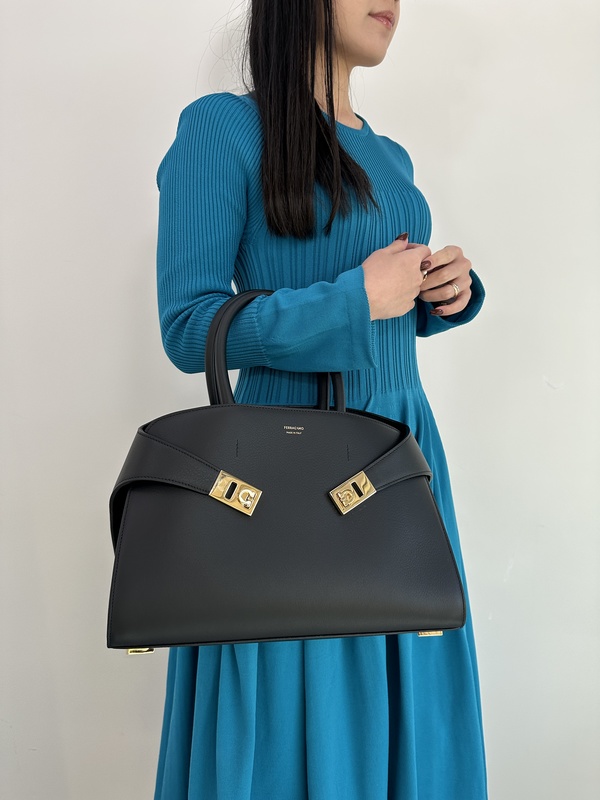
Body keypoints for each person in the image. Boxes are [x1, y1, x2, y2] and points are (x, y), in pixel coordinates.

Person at [153, 1, 487, 797]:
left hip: (399, 454)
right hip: (285, 474)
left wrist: (444, 296)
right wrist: (352, 299)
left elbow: (380, 313)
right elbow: (189, 326)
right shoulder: (223, 129)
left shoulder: (390, 155)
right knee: (291, 708)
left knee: (408, 701)